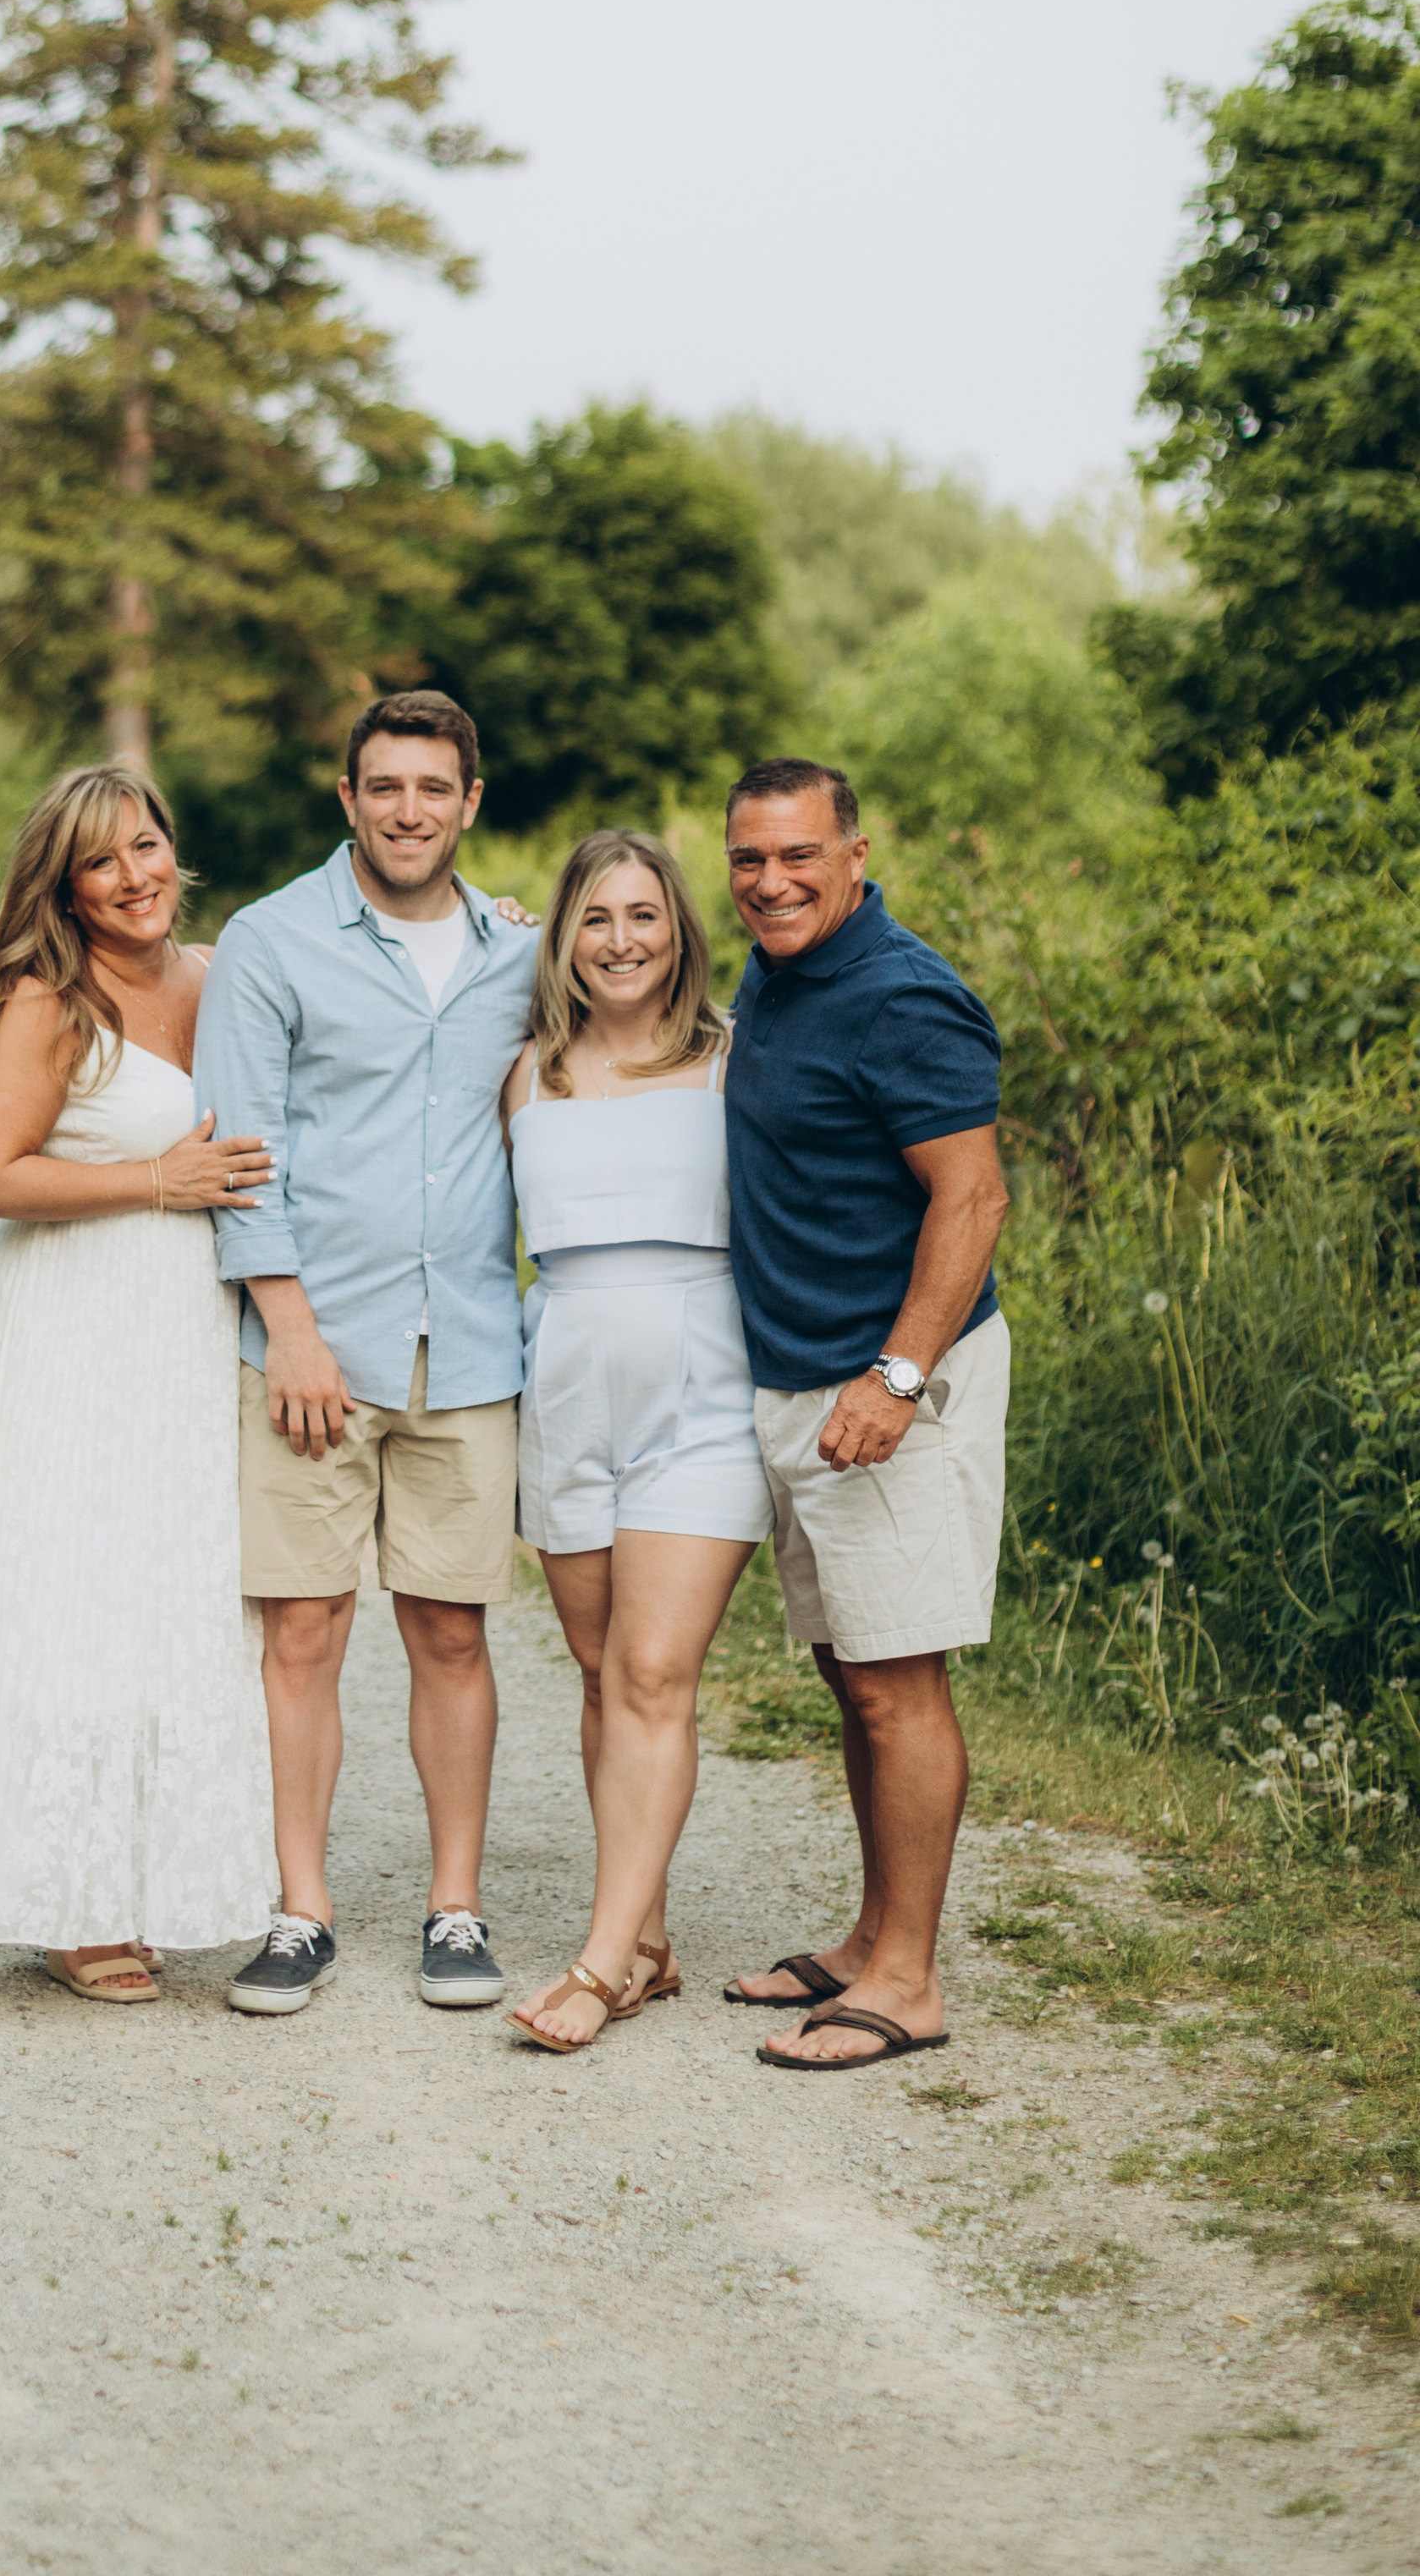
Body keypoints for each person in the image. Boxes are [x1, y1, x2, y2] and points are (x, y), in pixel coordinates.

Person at [0, 765, 278, 1998]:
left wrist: (501, 936)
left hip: (183, 1330)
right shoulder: (47, 1002)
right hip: (67, 1328)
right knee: (72, 1591)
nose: (133, 877)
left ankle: (136, 1873)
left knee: (170, 1594)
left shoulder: (221, 977)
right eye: (101, 862)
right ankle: (64, 1897)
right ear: (66, 886)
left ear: (175, 848)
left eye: (146, 846)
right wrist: (160, 1182)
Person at [193, 690, 537, 2015]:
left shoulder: (521, 948)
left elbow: (632, 1031)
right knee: (305, 1629)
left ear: (470, 803)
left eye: (433, 788)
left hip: (468, 1350)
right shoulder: (271, 943)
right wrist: (289, 1329)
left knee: (452, 1630)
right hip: (311, 1351)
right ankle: (302, 1911)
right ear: (348, 799)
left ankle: (456, 1910)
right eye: (384, 786)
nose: (409, 810)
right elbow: (242, 1151)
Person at [718, 758, 1011, 2073]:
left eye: (797, 857)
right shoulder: (780, 974)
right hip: (802, 1382)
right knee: (853, 1672)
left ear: (855, 851)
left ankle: (910, 1982)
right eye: (747, 860)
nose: (771, 882)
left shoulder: (902, 995)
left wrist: (898, 1380)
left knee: (899, 1685)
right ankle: (868, 1938)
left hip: (888, 1387)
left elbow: (975, 1200)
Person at [502, 831, 773, 2056]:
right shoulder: (528, 1073)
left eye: (645, 916)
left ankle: (602, 1963)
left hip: (701, 1384)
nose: (621, 940)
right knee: (601, 1667)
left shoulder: (734, 1062)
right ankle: (650, 1937)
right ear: (565, 935)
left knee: (655, 1672)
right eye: (597, 918)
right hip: (563, 1378)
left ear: (680, 933)